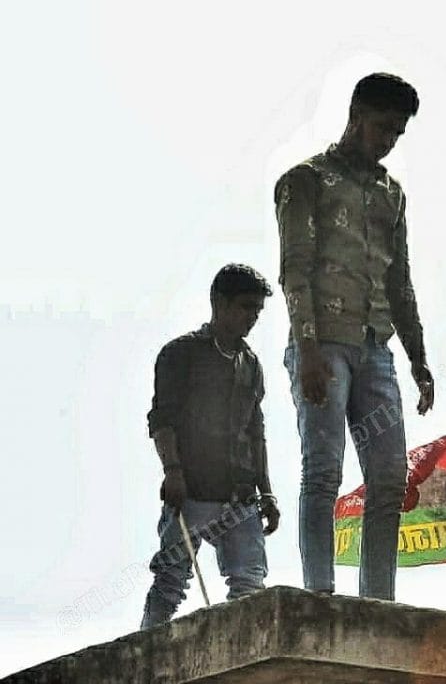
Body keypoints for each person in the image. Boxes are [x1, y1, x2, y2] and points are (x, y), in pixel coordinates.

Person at [274, 72, 435, 601]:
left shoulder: (392, 194)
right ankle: (319, 594)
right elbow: (294, 270)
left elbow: (400, 279)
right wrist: (308, 349)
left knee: (390, 478)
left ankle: (377, 600)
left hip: (376, 348)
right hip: (322, 342)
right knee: (323, 469)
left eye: (398, 132)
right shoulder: (306, 181)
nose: (389, 140)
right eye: (383, 127)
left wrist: (418, 358)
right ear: (356, 117)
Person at [140, 264, 280, 628]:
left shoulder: (251, 365)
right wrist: (172, 471)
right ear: (219, 302)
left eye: (257, 311)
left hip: (241, 497)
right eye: (245, 307)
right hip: (191, 491)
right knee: (170, 583)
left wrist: (267, 493)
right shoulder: (180, 355)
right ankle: (146, 654)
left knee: (249, 587)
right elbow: (162, 419)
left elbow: (256, 432)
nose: (252, 318)